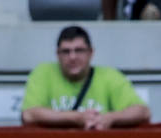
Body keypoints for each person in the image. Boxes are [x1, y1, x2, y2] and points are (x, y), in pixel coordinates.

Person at [20, 26, 151, 131]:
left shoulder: (109, 75)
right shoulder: (43, 73)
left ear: (91, 53)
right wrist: (77, 118)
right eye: (66, 51)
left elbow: (143, 112)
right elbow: (29, 114)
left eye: (79, 50)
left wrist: (110, 118)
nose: (72, 57)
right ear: (57, 54)